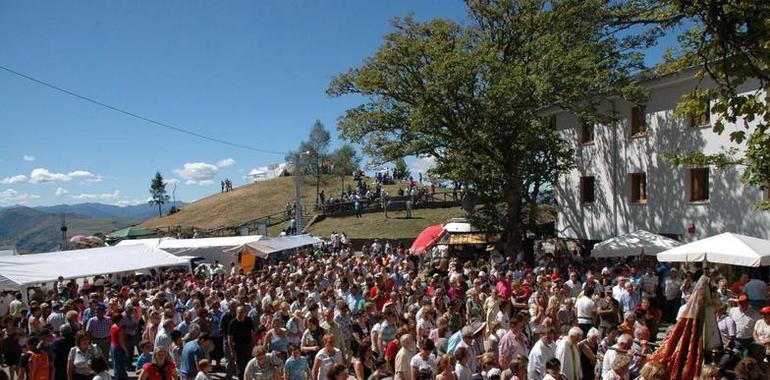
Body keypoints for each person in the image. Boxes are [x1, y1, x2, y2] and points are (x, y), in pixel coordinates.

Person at [229, 306, 255, 380]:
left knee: (249, 365)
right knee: (240, 367)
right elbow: (230, 338)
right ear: (236, 312)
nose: (241, 314)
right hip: (238, 348)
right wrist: (232, 350)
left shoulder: (249, 320)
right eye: (239, 312)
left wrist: (253, 345)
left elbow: (252, 333)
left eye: (243, 313)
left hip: (248, 347)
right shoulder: (233, 323)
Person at [110, 313, 129, 380]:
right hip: (118, 349)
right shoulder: (119, 329)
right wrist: (126, 351)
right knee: (120, 367)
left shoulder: (113, 326)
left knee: (116, 366)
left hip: (113, 347)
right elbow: (121, 342)